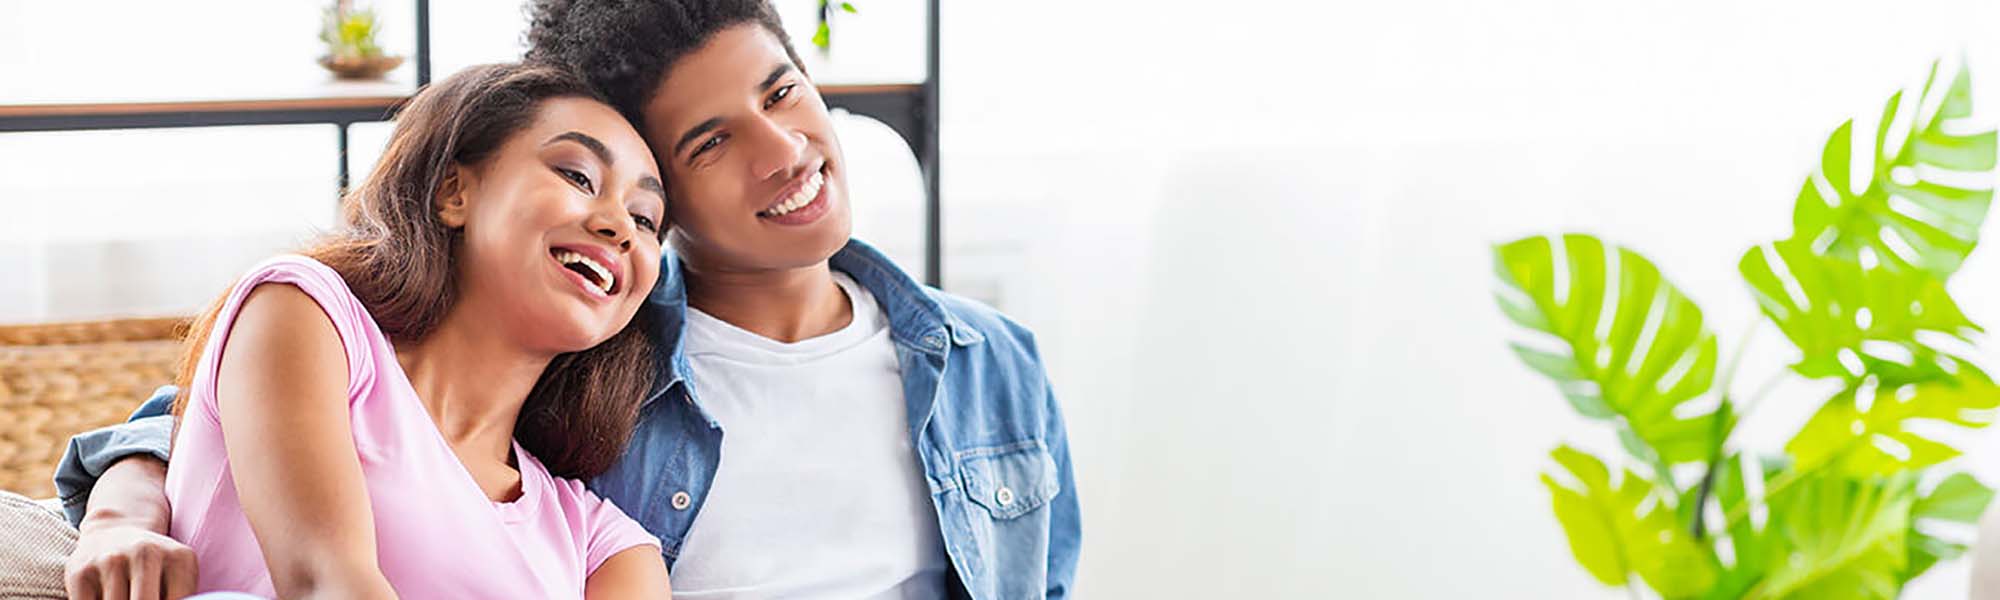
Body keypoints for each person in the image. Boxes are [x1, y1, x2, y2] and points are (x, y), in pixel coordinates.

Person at [59, 2, 1079, 599]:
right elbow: (190, 419)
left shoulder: (990, 359)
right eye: (710, 142)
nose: (784, 152)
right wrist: (120, 511)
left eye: (781, 93)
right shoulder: (605, 377)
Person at [65, 62, 673, 598]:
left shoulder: (604, 543)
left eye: (646, 219)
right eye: (577, 176)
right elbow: (322, 581)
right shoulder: (304, 311)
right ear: (452, 192)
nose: (620, 225)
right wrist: (116, 516)